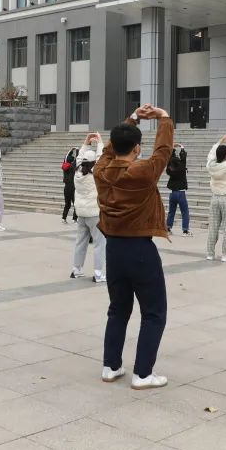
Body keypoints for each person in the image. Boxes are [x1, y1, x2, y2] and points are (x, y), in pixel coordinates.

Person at [93, 104, 174, 390]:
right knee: (154, 312)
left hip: (113, 248)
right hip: (140, 249)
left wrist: (133, 118)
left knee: (118, 309)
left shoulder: (101, 170)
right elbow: (163, 151)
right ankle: (143, 373)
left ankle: (111, 366)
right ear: (137, 148)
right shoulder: (142, 171)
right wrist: (163, 118)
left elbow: (108, 151)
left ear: (114, 146)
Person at [71, 136, 106, 283]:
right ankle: (98, 273)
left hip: (81, 213)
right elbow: (101, 157)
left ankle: (77, 269)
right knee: (99, 244)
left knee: (80, 242)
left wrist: (86, 142)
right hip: (94, 214)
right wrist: (100, 142)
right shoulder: (96, 173)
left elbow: (79, 158)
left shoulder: (77, 173)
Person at [165, 142, 190, 237]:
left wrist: (172, 148)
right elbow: (183, 158)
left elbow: (170, 158)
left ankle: (168, 229)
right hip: (181, 193)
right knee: (185, 212)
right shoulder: (182, 166)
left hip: (172, 193)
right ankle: (185, 231)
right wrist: (182, 148)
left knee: (171, 212)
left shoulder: (170, 167)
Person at [61, 146, 78, 224]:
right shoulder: (73, 166)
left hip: (66, 188)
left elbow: (65, 158)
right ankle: (74, 219)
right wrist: (77, 150)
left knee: (67, 204)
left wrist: (70, 151)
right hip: (73, 188)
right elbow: (77, 158)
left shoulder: (64, 166)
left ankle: (64, 218)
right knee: (75, 204)